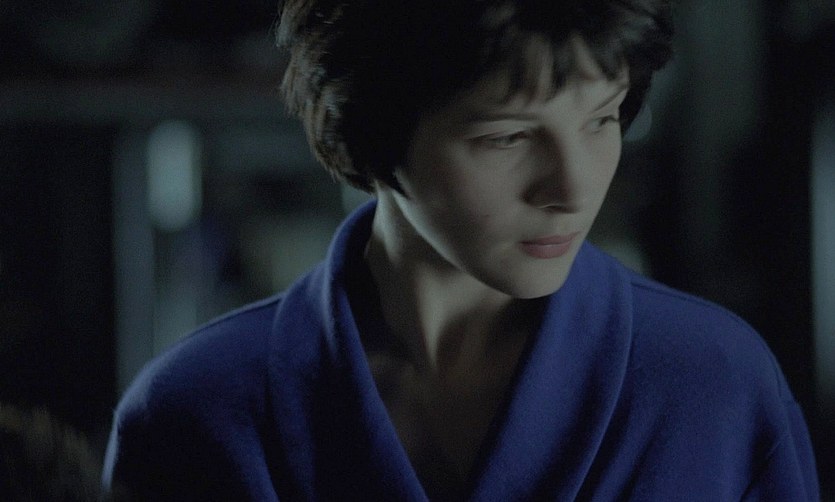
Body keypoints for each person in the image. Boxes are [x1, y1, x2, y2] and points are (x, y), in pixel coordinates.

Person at [102, 1, 820, 500]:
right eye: (507, 137)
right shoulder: (195, 412)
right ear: (376, 132)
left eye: (602, 120)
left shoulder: (711, 384)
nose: (572, 189)